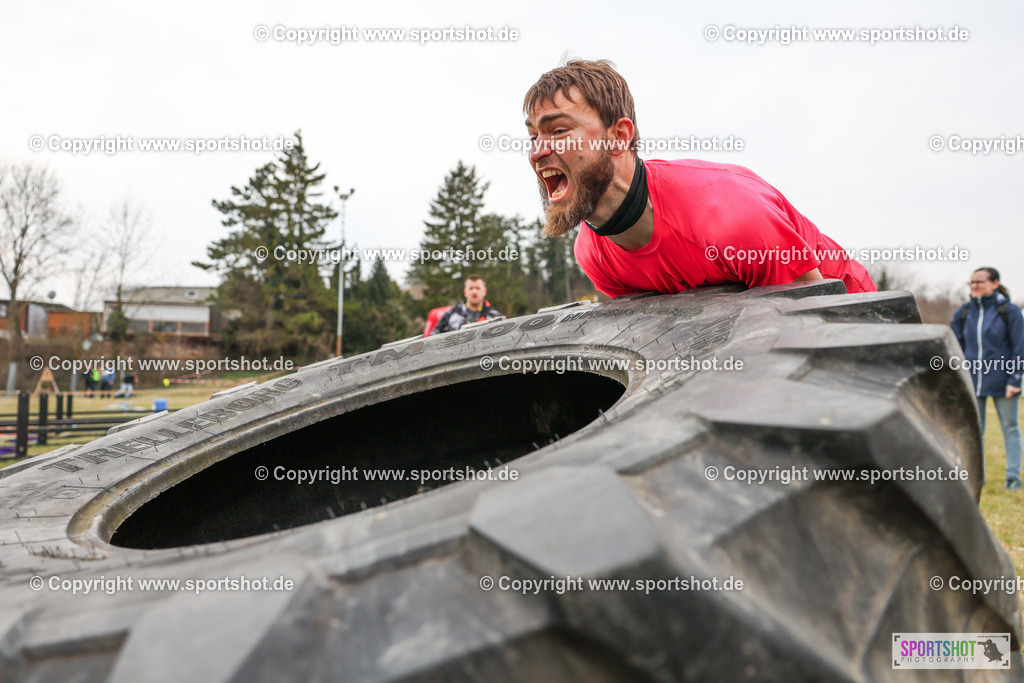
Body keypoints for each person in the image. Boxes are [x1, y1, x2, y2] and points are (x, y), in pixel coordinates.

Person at [522, 59, 876, 297]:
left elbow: (815, 321)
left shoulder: (730, 215)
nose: (538, 151)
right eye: (534, 136)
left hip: (853, 309)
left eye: (558, 130)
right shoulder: (593, 255)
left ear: (619, 136)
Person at [951, 267, 1024, 490]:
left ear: (995, 283)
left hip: (1004, 382)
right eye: (972, 282)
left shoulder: (1009, 311)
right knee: (975, 432)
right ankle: (977, 478)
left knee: (1010, 428)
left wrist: (1015, 379)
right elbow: (954, 349)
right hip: (972, 382)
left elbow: (1019, 348)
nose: (974, 286)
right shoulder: (963, 313)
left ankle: (1013, 477)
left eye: (980, 281)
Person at [429, 275, 502, 335]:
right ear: (465, 292)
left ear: (484, 291)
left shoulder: (494, 317)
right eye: (471, 288)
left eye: (478, 288)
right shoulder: (452, 313)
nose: (474, 292)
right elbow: (434, 334)